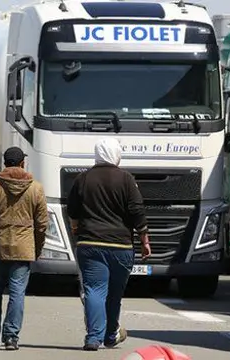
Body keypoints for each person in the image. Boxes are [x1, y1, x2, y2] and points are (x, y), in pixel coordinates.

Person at [66, 138, 152, 351]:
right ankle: (110, 334)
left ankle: (94, 338)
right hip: (121, 246)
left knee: (95, 290)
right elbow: (136, 210)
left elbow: (73, 211)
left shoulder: (83, 178)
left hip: (90, 243)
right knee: (115, 294)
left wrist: (76, 229)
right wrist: (144, 239)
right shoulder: (126, 179)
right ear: (116, 154)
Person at [0, 146, 48, 351]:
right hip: (23, 248)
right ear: (22, 163)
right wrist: (37, 246)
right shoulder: (35, 188)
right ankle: (11, 337)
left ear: (4, 163)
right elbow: (42, 223)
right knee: (17, 292)